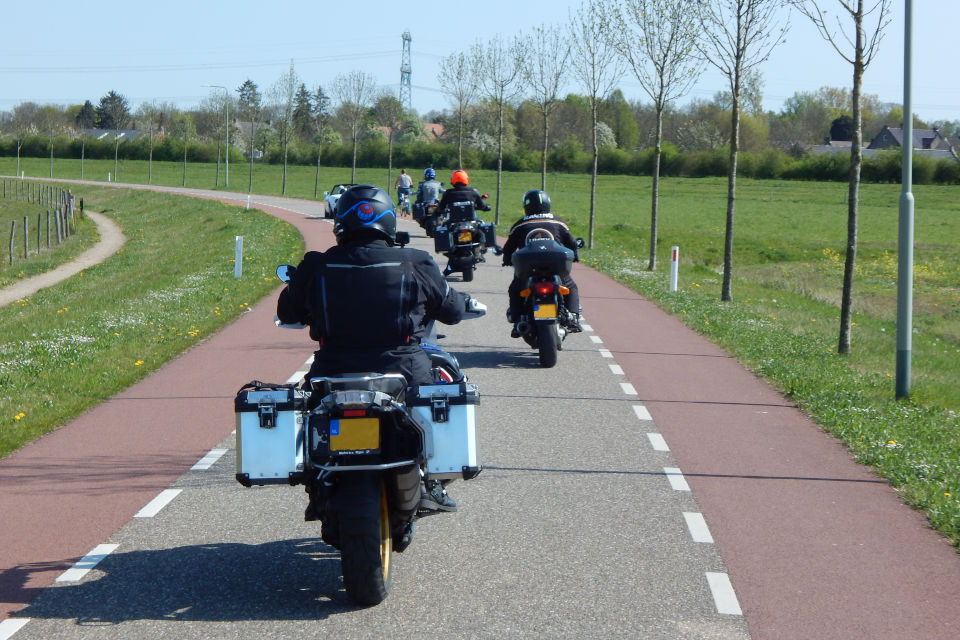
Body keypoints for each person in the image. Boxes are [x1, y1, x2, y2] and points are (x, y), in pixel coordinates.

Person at [276, 184, 486, 517]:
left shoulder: (316, 266)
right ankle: (433, 481)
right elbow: (452, 309)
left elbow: (287, 314)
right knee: (444, 394)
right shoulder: (415, 261)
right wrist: (463, 302)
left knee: (309, 415)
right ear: (388, 222)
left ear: (340, 223)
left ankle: (316, 480)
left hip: (333, 374)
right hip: (404, 371)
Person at [501, 189, 582, 337]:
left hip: (528, 268)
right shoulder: (558, 221)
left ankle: (518, 320)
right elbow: (571, 242)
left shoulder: (520, 224)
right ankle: (574, 317)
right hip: (554, 266)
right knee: (570, 286)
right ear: (547, 204)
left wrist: (506, 260)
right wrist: (575, 255)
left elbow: (508, 248)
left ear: (526, 206)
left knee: (515, 290)